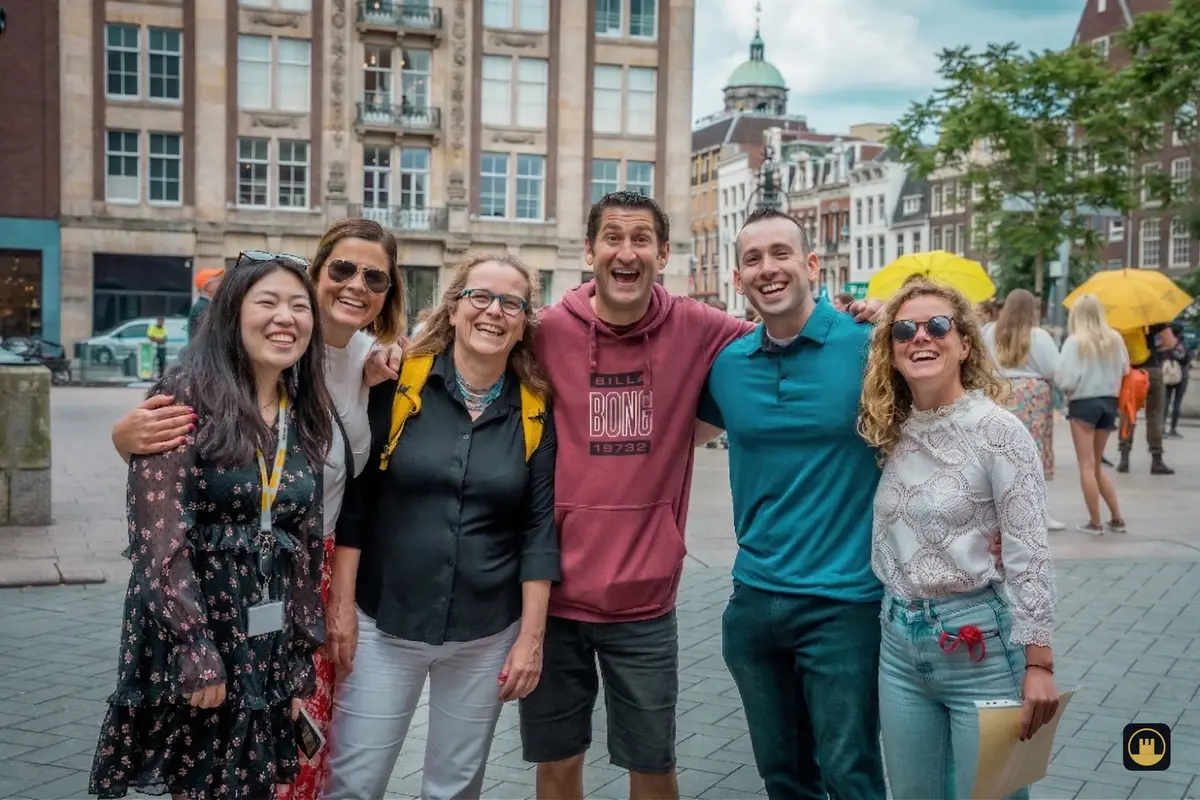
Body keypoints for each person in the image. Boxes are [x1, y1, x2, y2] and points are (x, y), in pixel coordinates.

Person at [109, 219, 409, 800]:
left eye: (375, 277)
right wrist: (124, 440)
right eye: (342, 269)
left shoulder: (354, 375)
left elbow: (332, 503)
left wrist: (311, 628)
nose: (356, 284)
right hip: (208, 602)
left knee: (292, 758)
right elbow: (160, 530)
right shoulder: (206, 383)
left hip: (295, 588)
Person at [89, 253, 335, 798]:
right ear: (232, 312)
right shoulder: (184, 396)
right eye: (266, 302)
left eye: (299, 306)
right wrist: (194, 646)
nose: (285, 317)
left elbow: (303, 545)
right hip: (198, 627)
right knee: (202, 785)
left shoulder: (303, 409)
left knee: (252, 785)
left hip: (264, 633)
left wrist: (297, 654)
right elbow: (159, 543)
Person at [321, 254, 560, 799]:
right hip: (384, 624)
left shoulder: (536, 409)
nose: (493, 312)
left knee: (454, 790)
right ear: (453, 307)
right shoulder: (396, 383)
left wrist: (530, 638)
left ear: (524, 322)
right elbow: (357, 504)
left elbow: (539, 528)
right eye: (479, 297)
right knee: (354, 784)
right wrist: (341, 606)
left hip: (485, 632)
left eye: (510, 303)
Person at [693, 208, 887, 797]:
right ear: (737, 278)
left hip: (845, 605)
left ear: (811, 265)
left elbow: (953, 402)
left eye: (781, 254)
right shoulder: (728, 364)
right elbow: (664, 441)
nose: (767, 269)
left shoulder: (870, 347)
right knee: (783, 778)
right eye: (753, 259)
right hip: (754, 602)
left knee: (850, 773)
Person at [859, 276, 1059, 800]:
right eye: (905, 330)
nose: (920, 337)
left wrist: (1039, 663)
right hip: (898, 645)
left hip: (981, 648)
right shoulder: (892, 428)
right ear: (892, 351)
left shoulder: (999, 431)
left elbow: (1029, 552)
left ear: (966, 343)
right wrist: (862, 315)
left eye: (938, 325)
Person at [982, 289, 1065, 531]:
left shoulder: (989, 332)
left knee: (999, 452)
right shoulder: (1039, 336)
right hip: (1033, 397)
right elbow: (1052, 370)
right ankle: (1038, 512)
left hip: (999, 392)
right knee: (1033, 452)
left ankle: (997, 511)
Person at [1055, 294, 1128, 535]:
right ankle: (1116, 518)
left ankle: (1095, 522)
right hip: (1110, 403)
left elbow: (1065, 378)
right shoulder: (1115, 338)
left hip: (1084, 405)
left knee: (1086, 465)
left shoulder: (1075, 342)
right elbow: (1126, 368)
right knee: (1097, 465)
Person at [1117, 322, 1174, 474]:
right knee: (1154, 415)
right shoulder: (1155, 317)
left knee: (1128, 413)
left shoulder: (1121, 320)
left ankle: (1124, 459)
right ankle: (1157, 460)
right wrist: (1155, 349)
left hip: (1131, 373)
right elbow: (1170, 342)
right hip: (1153, 371)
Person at [1163, 320, 1190, 439]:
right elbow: (1186, 358)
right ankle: (1173, 429)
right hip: (1181, 375)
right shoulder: (1182, 344)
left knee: (1165, 402)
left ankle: (1162, 428)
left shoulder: (1165, 343)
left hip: (1167, 374)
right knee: (1177, 403)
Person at [189, 267, 224, 339]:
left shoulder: (206, 305)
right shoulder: (203, 307)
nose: (221, 283)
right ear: (207, 286)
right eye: (217, 280)